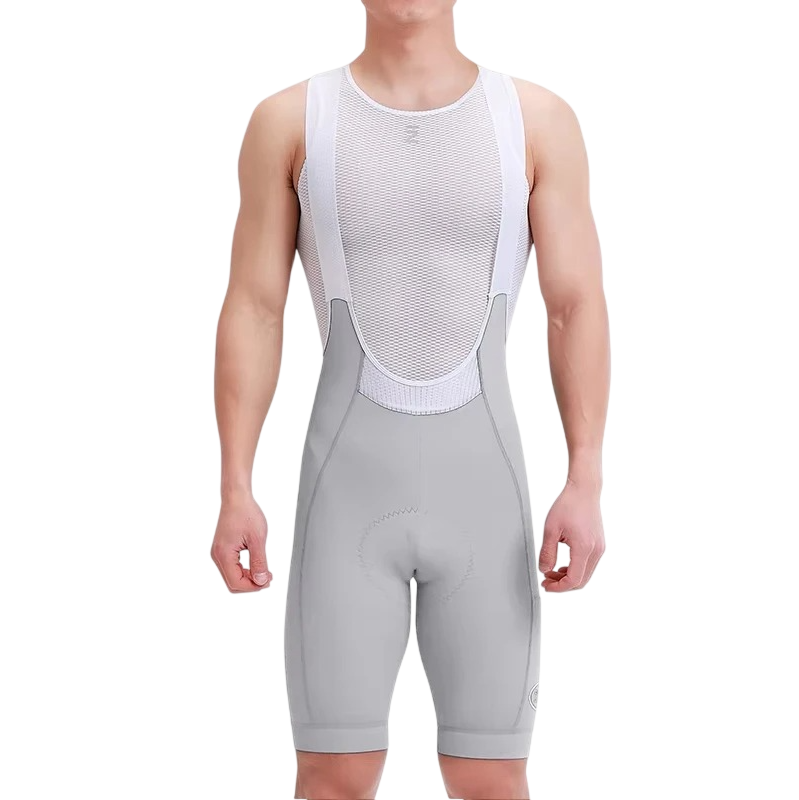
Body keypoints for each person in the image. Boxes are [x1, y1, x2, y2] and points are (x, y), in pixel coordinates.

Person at [211, 1, 609, 797]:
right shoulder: (290, 121)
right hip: (344, 500)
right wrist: (234, 488)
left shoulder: (535, 121)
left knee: (490, 776)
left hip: (484, 502)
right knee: (334, 774)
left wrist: (585, 479)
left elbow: (574, 305)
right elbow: (254, 307)